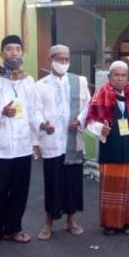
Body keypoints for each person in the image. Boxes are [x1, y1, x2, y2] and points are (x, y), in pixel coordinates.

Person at [0, 34, 45, 252]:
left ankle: (14, 228)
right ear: (1, 53)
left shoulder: (28, 80)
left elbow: (33, 111)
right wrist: (1, 111)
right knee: (0, 190)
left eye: (17, 49)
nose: (13, 53)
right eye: (9, 49)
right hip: (0, 146)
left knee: (20, 190)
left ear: (22, 53)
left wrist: (42, 127)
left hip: (23, 145)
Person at [34, 45, 91, 240]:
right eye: (60, 59)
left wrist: (81, 120)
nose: (64, 63)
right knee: (53, 183)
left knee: (73, 183)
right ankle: (49, 221)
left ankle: (71, 220)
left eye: (66, 59)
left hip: (72, 140)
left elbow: (88, 105)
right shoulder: (40, 86)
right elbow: (34, 112)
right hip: (52, 142)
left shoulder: (79, 82)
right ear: (51, 60)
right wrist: (42, 125)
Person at [84, 61, 129, 235]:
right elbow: (90, 121)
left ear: (127, 77)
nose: (120, 79)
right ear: (109, 77)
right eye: (116, 75)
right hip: (111, 147)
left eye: (123, 75)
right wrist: (100, 129)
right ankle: (110, 224)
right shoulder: (100, 94)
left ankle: (128, 221)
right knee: (112, 187)